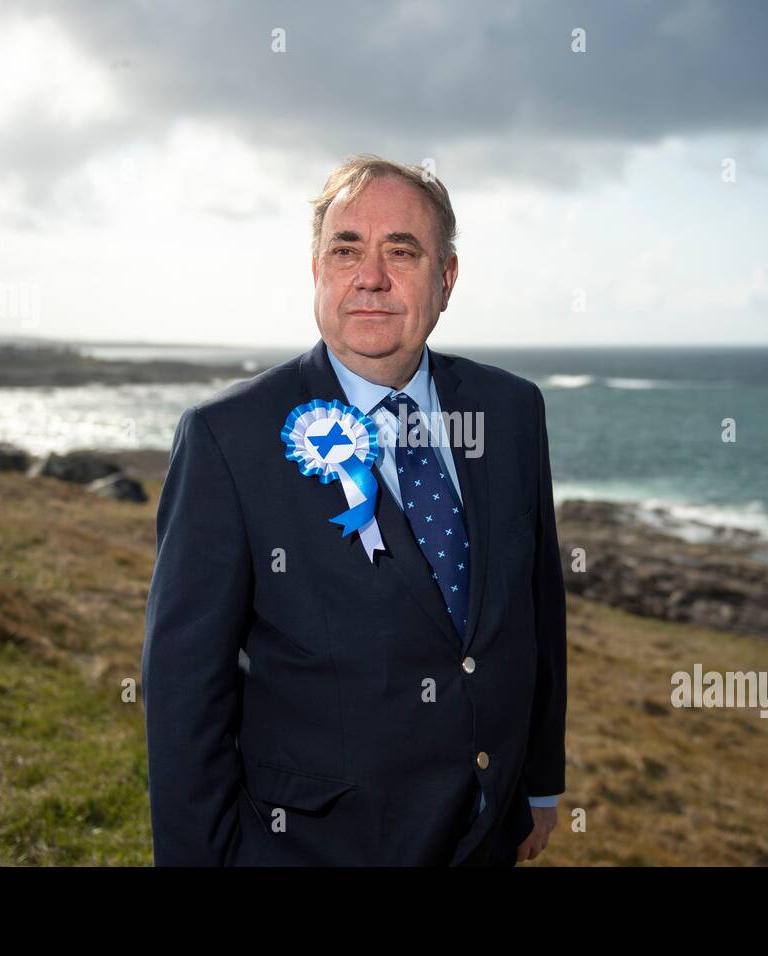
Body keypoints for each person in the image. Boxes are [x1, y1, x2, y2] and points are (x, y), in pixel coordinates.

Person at [141, 154, 566, 866]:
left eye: (402, 251)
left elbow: (537, 607)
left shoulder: (512, 409)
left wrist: (540, 784)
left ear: (447, 280)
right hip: (312, 846)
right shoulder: (228, 438)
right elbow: (185, 686)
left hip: (485, 836)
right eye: (346, 250)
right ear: (317, 272)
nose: (371, 276)